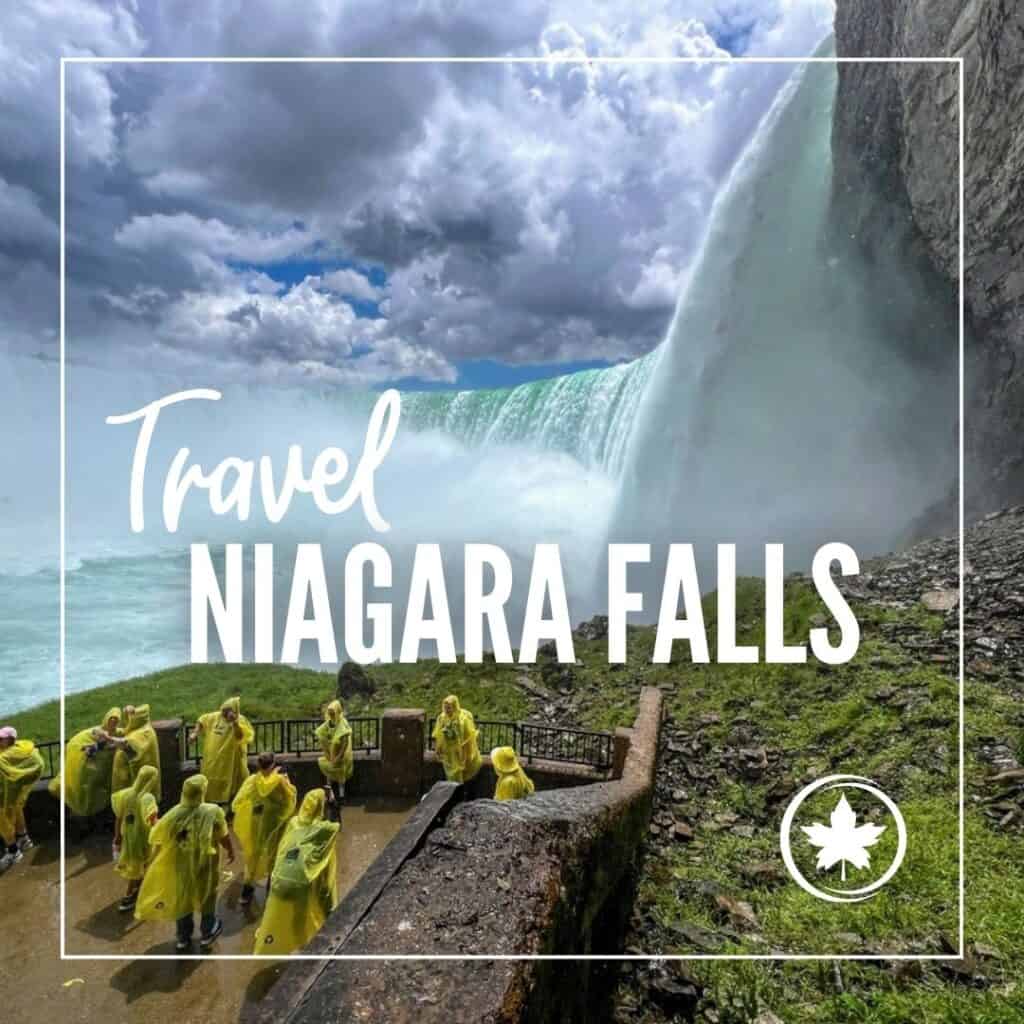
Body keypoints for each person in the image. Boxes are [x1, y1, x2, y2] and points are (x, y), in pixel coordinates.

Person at [135, 773, 234, 952]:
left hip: (181, 865)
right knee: (208, 895)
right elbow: (223, 835)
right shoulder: (213, 811)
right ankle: (207, 932)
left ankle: (183, 937)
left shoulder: (175, 813)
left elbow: (158, 833)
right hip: (206, 863)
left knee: (183, 897)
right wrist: (231, 850)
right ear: (203, 791)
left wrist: (151, 816)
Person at [253, 788, 339, 956]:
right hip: (300, 882)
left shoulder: (293, 822)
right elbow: (326, 877)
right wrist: (329, 909)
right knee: (303, 913)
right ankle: (304, 946)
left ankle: (286, 943)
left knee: (283, 914)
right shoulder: (324, 831)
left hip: (279, 878)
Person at [231, 751, 297, 906]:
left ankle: (246, 892)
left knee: (253, 855)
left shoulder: (252, 780)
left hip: (255, 822)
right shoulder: (280, 781)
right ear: (273, 764)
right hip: (273, 823)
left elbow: (238, 802)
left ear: (258, 765)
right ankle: (270, 890)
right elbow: (289, 800)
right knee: (273, 854)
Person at [48, 707, 122, 817]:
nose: (113, 722)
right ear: (106, 719)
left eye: (116, 720)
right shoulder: (99, 732)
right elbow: (99, 740)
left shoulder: (117, 732)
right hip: (87, 766)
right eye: (111, 719)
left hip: (97, 769)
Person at [111, 763, 160, 912]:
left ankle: (139, 889)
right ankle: (129, 896)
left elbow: (119, 818)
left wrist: (117, 836)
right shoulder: (148, 798)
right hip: (144, 838)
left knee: (136, 863)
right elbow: (153, 820)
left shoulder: (125, 794)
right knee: (141, 865)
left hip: (129, 836)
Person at [191, 696, 254, 806]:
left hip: (231, 759)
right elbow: (201, 720)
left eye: (227, 711)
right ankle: (212, 801)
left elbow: (241, 737)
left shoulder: (240, 720)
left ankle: (230, 804)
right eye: (223, 710)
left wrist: (235, 723)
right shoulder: (215, 717)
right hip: (214, 758)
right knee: (212, 780)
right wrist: (195, 733)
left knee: (233, 783)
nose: (224, 713)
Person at [0, 726, 44, 871]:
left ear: (10, 740)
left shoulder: (9, 754)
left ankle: (13, 852)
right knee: (16, 808)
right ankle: (23, 839)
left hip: (10, 788)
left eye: (2, 738)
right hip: (14, 787)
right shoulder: (18, 748)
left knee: (3, 817)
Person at [110, 704, 161, 796]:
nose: (128, 720)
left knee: (140, 804)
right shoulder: (137, 728)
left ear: (136, 719)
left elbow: (127, 743)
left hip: (137, 779)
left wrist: (106, 738)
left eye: (130, 717)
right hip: (132, 779)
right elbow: (123, 732)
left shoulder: (145, 732)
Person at [315, 700, 352, 820]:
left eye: (332, 712)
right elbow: (322, 732)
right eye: (329, 712)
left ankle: (341, 796)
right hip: (331, 753)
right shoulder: (329, 723)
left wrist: (339, 756)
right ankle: (330, 794)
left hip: (340, 754)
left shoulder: (342, 723)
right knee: (329, 773)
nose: (331, 715)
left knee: (340, 774)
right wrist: (327, 751)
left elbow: (345, 743)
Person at [432, 694, 482, 784]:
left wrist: (465, 747)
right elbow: (437, 733)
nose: (447, 710)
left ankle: (459, 790)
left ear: (455, 706)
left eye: (449, 708)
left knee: (459, 772)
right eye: (445, 707)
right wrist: (437, 747)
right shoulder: (442, 718)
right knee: (450, 773)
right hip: (448, 752)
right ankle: (453, 789)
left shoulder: (462, 719)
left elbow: (469, 735)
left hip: (459, 751)